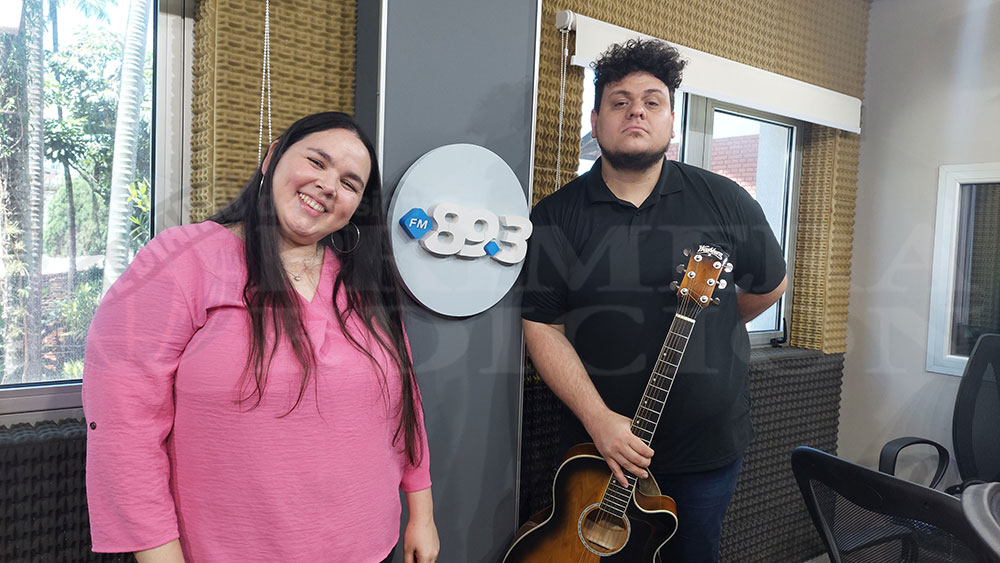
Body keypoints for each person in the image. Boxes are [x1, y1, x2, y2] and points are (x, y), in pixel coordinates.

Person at [83, 112, 439, 563]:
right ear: (272, 158)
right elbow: (125, 423)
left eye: (350, 184)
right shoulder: (181, 260)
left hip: (371, 546)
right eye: (316, 161)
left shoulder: (363, 283)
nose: (329, 185)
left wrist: (421, 513)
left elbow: (405, 403)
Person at [521, 39, 787, 562]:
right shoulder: (555, 215)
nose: (636, 111)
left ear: (672, 123)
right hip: (596, 453)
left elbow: (767, 287)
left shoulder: (726, 199)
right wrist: (599, 420)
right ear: (595, 122)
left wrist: (709, 324)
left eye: (652, 100)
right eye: (619, 102)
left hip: (706, 450)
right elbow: (541, 325)